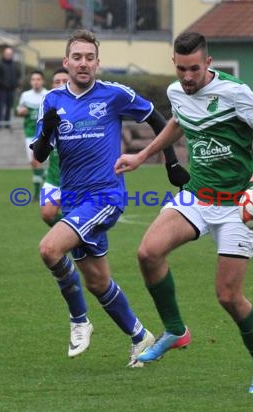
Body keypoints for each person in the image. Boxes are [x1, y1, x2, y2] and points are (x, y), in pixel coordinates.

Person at [114, 31, 253, 393]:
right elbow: (177, 122)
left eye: (193, 69)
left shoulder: (235, 92)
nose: (187, 77)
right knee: (148, 252)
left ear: (208, 63)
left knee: (228, 297)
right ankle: (176, 330)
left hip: (240, 204)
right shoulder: (178, 92)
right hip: (198, 197)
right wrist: (144, 155)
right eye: (180, 69)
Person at [30, 29, 190, 366]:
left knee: (49, 248)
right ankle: (139, 337)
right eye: (77, 57)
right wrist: (46, 128)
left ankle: (79, 321)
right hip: (73, 199)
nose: (83, 63)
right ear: (66, 62)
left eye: (89, 58)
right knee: (98, 280)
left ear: (98, 63)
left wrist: (171, 162)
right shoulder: (52, 100)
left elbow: (156, 118)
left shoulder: (114, 95)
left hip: (105, 196)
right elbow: (41, 155)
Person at [40, 67, 68, 226]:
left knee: (73, 217)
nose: (61, 84)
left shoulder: (80, 108)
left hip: (75, 177)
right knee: (47, 214)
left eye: (65, 81)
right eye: (57, 82)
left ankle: (68, 245)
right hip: (53, 176)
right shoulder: (47, 108)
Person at [16, 70, 48, 201]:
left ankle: (38, 193)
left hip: (44, 134)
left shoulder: (48, 95)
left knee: (37, 161)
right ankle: (46, 184)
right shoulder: (25, 95)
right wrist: (21, 111)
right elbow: (19, 110)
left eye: (38, 79)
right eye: (33, 79)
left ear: (43, 81)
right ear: (31, 82)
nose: (36, 82)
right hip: (29, 132)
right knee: (34, 163)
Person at [0, 47, 21, 126]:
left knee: (9, 107)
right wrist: (2, 84)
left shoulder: (14, 65)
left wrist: (16, 84)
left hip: (11, 89)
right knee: (1, 107)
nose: (9, 55)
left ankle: (7, 123)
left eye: (10, 54)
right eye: (7, 54)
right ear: (4, 54)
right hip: (2, 89)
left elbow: (18, 75)